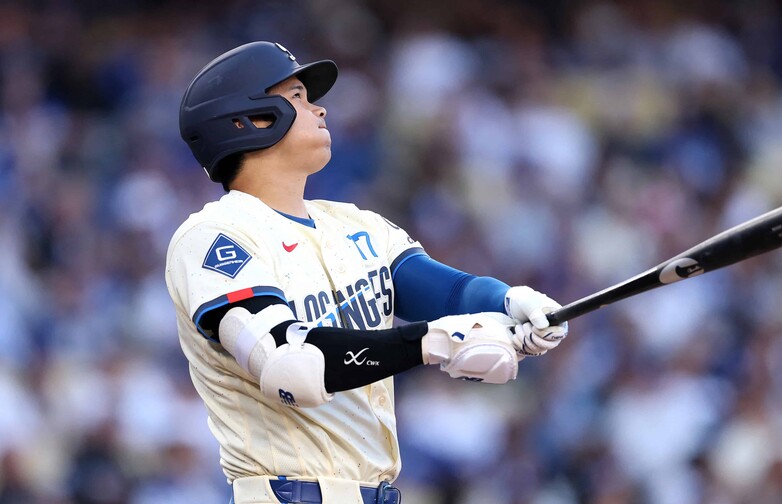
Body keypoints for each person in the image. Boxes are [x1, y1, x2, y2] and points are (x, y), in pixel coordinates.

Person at [165, 41, 568, 504]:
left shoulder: (356, 224)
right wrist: (436, 342)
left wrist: (509, 303)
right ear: (250, 120)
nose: (319, 109)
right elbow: (292, 368)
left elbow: (449, 293)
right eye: (297, 97)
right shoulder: (214, 234)